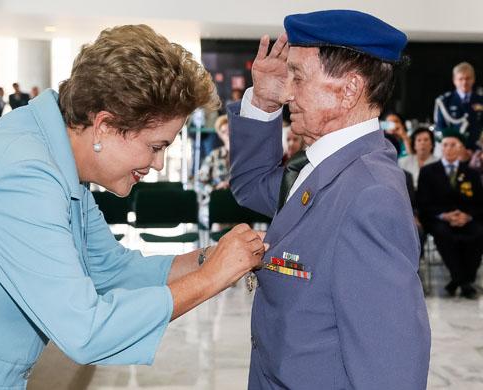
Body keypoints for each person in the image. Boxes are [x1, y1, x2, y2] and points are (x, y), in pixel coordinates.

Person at [0, 25, 267, 389]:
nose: (158, 165)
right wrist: (210, 279)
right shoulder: (22, 176)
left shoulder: (56, 160)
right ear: (103, 126)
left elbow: (111, 270)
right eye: (156, 146)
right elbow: (86, 331)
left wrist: (210, 258)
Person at [228, 10, 430, 389]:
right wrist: (265, 105)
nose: (287, 91)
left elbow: (391, 369)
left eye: (297, 77)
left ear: (349, 90)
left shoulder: (370, 196)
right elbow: (252, 185)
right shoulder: (325, 165)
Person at [417, 130, 483, 299]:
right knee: (443, 234)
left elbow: (479, 203)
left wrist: (467, 216)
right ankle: (464, 281)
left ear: (461, 148)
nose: (448, 148)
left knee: (477, 233)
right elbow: (423, 203)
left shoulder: (472, 174)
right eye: (445, 145)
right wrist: (444, 216)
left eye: (453, 145)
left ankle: (458, 280)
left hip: (466, 218)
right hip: (439, 219)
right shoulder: (428, 172)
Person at [434, 62, 483, 151]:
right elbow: (440, 129)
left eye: (468, 78)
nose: (464, 82)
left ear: (473, 79)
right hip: (452, 151)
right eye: (461, 79)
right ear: (454, 80)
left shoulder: (481, 100)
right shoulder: (444, 101)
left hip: (476, 151)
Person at [198, 114, 231, 193]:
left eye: (229, 130)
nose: (227, 134)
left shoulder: (244, 154)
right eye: (223, 131)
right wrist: (215, 188)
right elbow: (200, 182)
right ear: (220, 135)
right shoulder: (214, 155)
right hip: (219, 199)